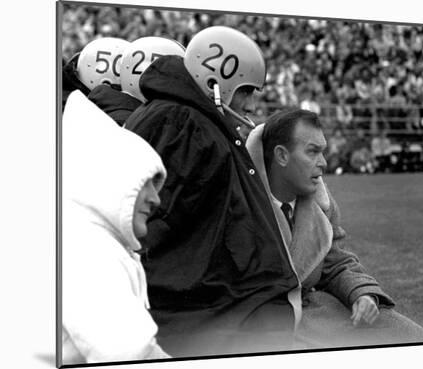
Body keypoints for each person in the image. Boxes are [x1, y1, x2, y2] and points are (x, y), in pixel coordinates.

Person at [123, 26, 300, 357]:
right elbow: (159, 227)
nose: (249, 103)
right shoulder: (182, 123)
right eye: (246, 90)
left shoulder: (186, 118)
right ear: (217, 81)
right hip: (201, 304)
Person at [246, 108, 423, 348]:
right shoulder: (240, 209)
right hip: (264, 327)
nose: (324, 163)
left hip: (315, 313)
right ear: (282, 156)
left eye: (322, 152)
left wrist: (361, 293)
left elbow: (335, 263)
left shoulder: (321, 207)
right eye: (313, 152)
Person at [61, 90, 170, 364]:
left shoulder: (85, 236)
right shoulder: (87, 248)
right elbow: (128, 353)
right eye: (145, 183)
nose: (156, 199)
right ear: (113, 179)